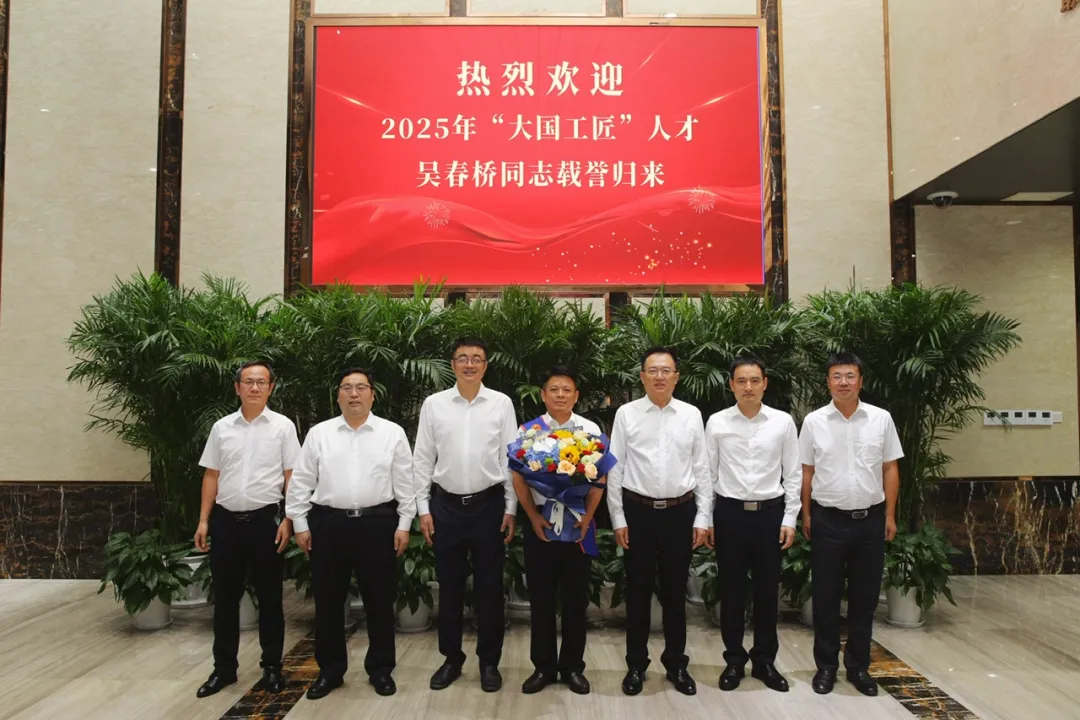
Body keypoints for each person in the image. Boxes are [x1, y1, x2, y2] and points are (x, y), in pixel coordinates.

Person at [285, 367, 415, 700]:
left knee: (379, 601)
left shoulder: (392, 433)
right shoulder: (319, 433)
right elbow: (301, 481)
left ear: (372, 394)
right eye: (347, 387)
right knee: (328, 602)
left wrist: (404, 524)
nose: (354, 394)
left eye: (360, 387)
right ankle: (330, 672)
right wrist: (300, 524)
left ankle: (381, 670)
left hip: (378, 523)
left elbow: (405, 482)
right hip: (329, 525)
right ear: (338, 395)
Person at [414, 337, 519, 693]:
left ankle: (489, 663)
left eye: (477, 358)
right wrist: (423, 508)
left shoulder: (501, 404)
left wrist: (510, 508)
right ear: (453, 364)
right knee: (449, 587)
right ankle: (451, 659)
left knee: (490, 588)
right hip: (445, 507)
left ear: (486, 365)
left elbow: (510, 459)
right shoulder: (434, 405)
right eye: (463, 358)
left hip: (489, 506)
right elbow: (422, 458)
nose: (469, 364)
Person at [607, 346, 711, 697]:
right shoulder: (626, 414)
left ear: (676, 377)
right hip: (638, 512)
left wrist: (703, 516)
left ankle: (676, 664)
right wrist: (618, 518)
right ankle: (636, 665)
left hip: (680, 513)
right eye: (652, 370)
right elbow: (615, 469)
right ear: (642, 377)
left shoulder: (691, 415)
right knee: (637, 592)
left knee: (675, 593)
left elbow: (702, 469)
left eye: (666, 370)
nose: (659, 376)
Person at [194, 361, 300, 699]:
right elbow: (211, 475)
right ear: (237, 388)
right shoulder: (221, 428)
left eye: (261, 382)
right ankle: (224, 669)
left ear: (271, 387)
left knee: (270, 599)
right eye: (248, 382)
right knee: (225, 599)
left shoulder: (283, 427)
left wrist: (289, 519)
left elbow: (292, 476)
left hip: (265, 522)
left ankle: (272, 667)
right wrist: (204, 520)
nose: (255, 387)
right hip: (226, 522)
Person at [799, 352, 902, 697]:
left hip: (870, 521)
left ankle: (858, 667)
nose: (843, 382)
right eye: (837, 376)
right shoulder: (813, 421)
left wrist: (889, 515)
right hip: (828, 520)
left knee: (864, 598)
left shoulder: (881, 419)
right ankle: (826, 667)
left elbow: (890, 468)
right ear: (828, 381)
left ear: (861, 380)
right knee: (825, 597)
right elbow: (807, 472)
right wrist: (807, 515)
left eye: (850, 376)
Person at [704, 356, 800, 693]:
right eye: (741, 381)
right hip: (729, 514)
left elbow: (794, 473)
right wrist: (707, 518)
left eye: (754, 380)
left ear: (765, 383)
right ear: (731, 385)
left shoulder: (782, 422)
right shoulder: (717, 422)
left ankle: (764, 662)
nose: (748, 387)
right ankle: (733, 660)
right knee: (731, 591)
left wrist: (790, 518)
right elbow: (708, 473)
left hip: (769, 515)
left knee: (767, 592)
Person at [512, 366, 605, 696]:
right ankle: (543, 667)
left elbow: (600, 479)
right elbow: (518, 478)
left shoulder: (590, 429)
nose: (561, 395)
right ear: (543, 395)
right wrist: (532, 516)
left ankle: (573, 668)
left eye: (567, 390)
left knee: (575, 599)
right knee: (541, 599)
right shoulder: (530, 431)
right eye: (554, 389)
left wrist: (588, 517)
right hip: (541, 523)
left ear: (576, 396)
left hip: (578, 523)